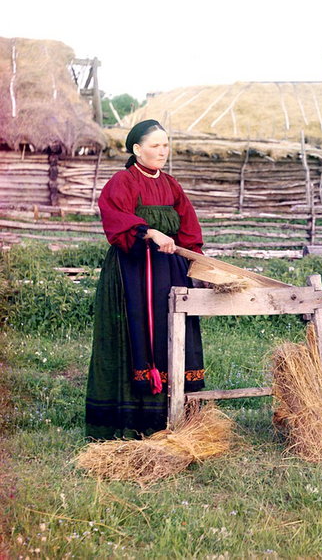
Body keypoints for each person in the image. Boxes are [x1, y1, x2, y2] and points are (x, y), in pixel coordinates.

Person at [85, 119, 205, 439]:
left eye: (166, 145)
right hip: (133, 274)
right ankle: (131, 418)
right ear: (137, 149)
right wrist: (149, 231)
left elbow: (189, 228)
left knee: (171, 332)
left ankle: (174, 415)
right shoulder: (122, 181)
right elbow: (116, 219)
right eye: (155, 145)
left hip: (170, 271)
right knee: (137, 332)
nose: (162, 151)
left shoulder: (171, 185)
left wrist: (198, 261)